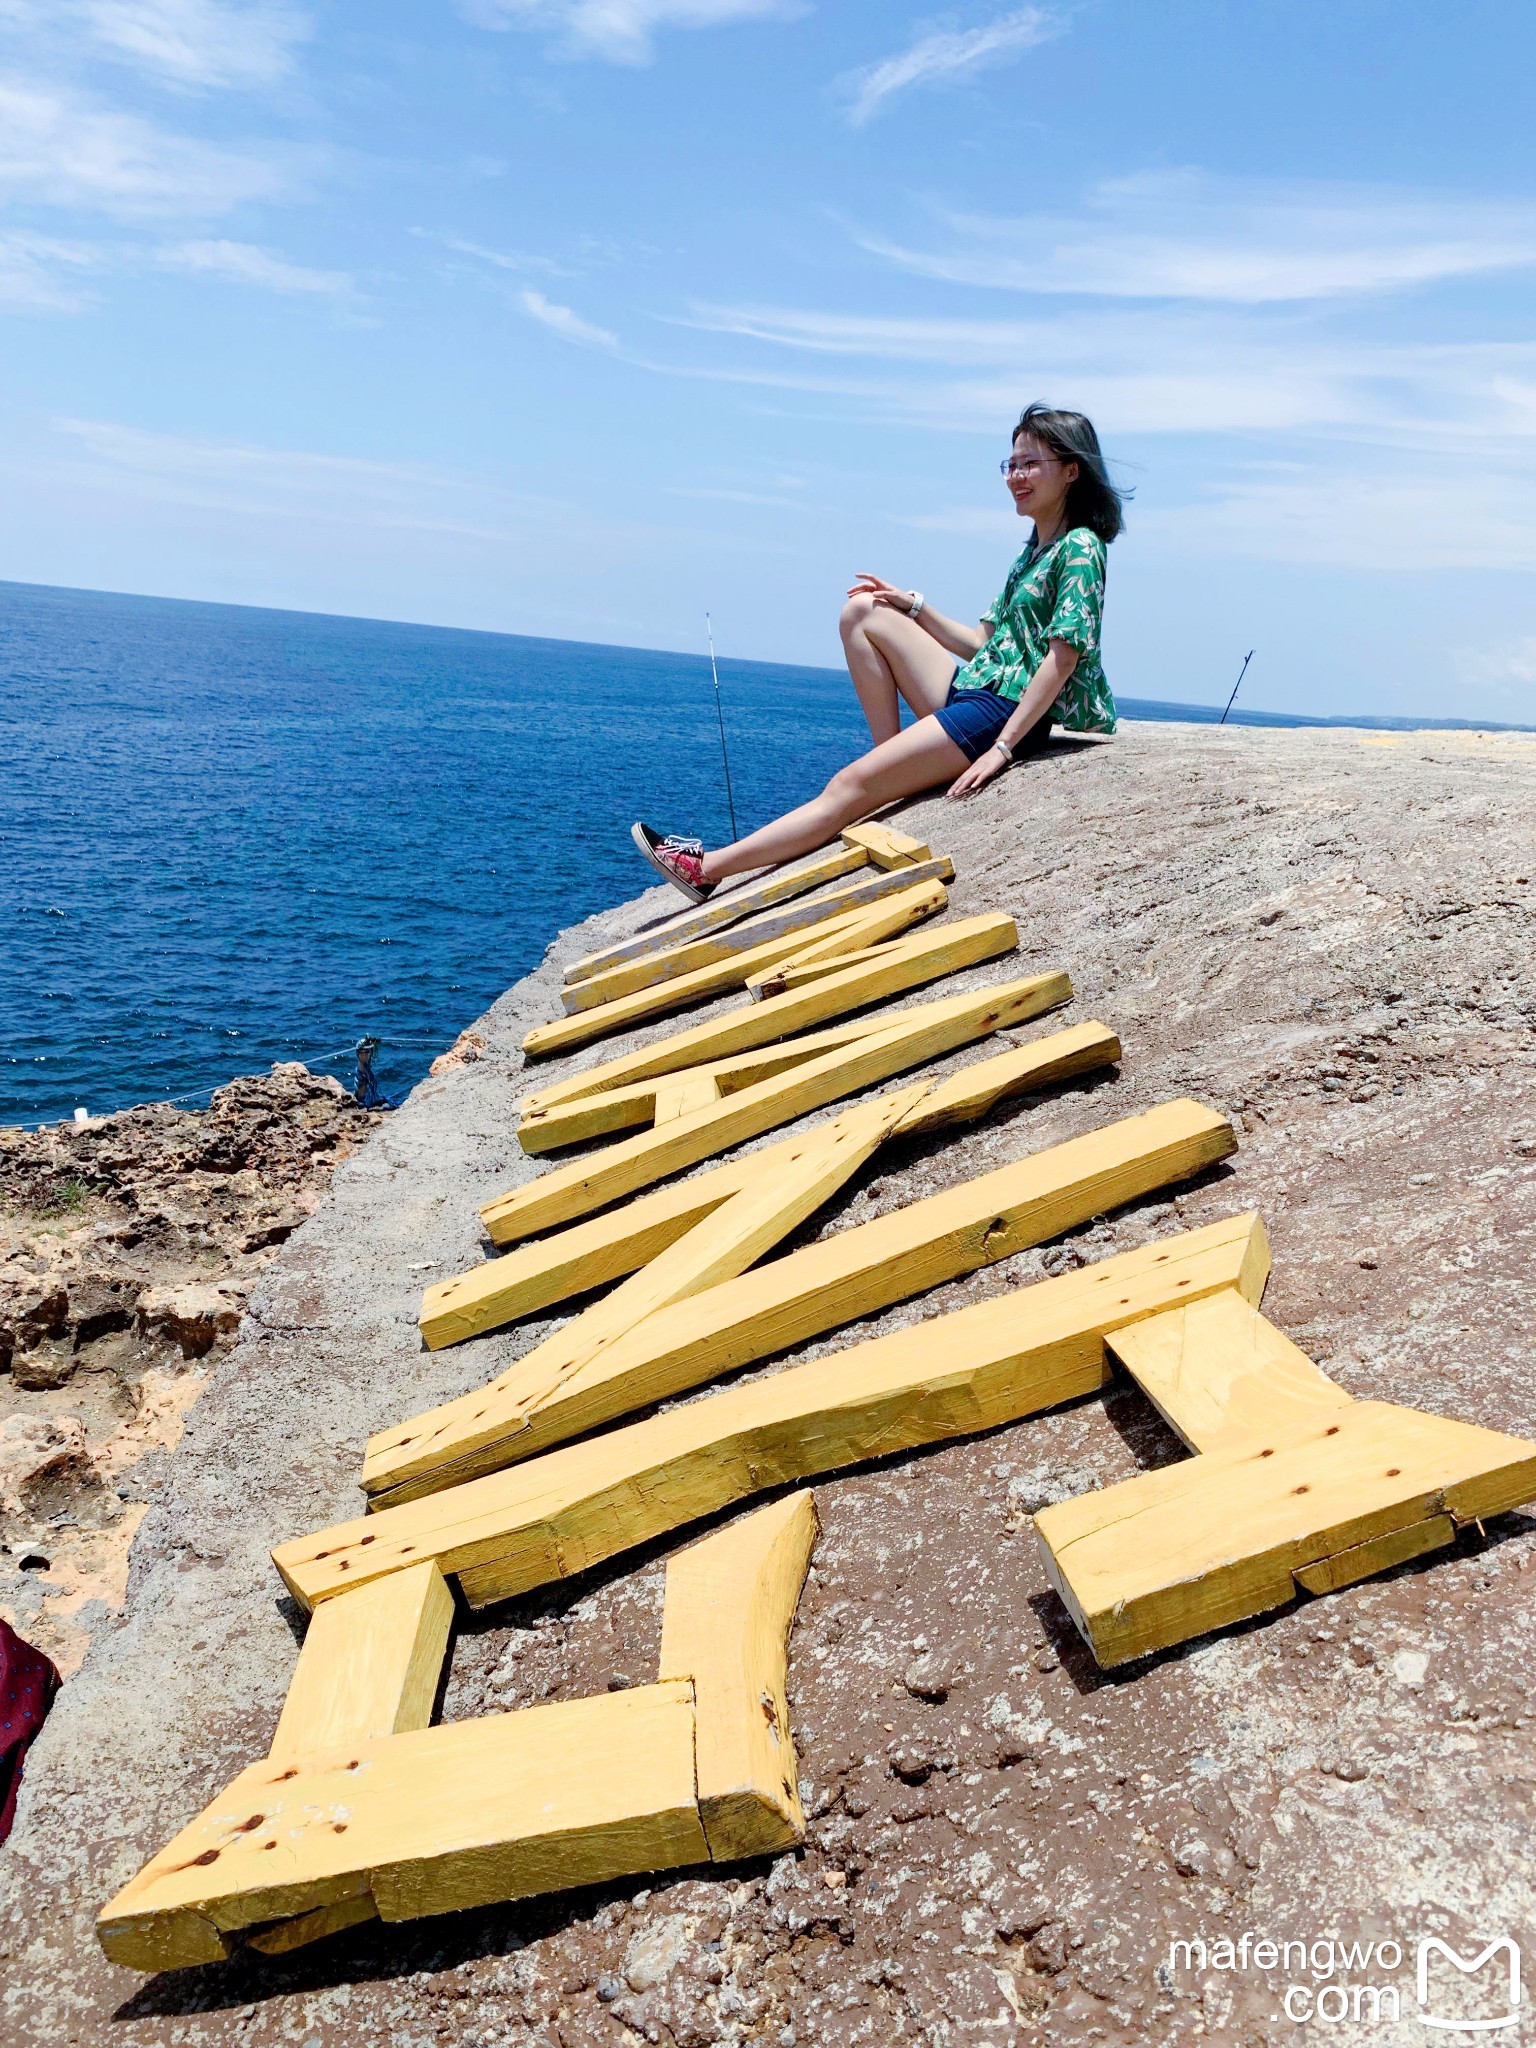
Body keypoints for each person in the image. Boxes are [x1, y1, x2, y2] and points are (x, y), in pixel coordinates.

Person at [632, 402, 1124, 903]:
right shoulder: (1033, 551)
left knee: (846, 786)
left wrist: (1003, 748)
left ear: (1070, 471)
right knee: (863, 612)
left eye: (1030, 464)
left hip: (1001, 713)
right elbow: (982, 645)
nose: (1016, 476)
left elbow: (1063, 658)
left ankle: (709, 869)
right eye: (1011, 464)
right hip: (979, 691)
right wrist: (915, 608)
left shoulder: (1082, 547)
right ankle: (887, 765)